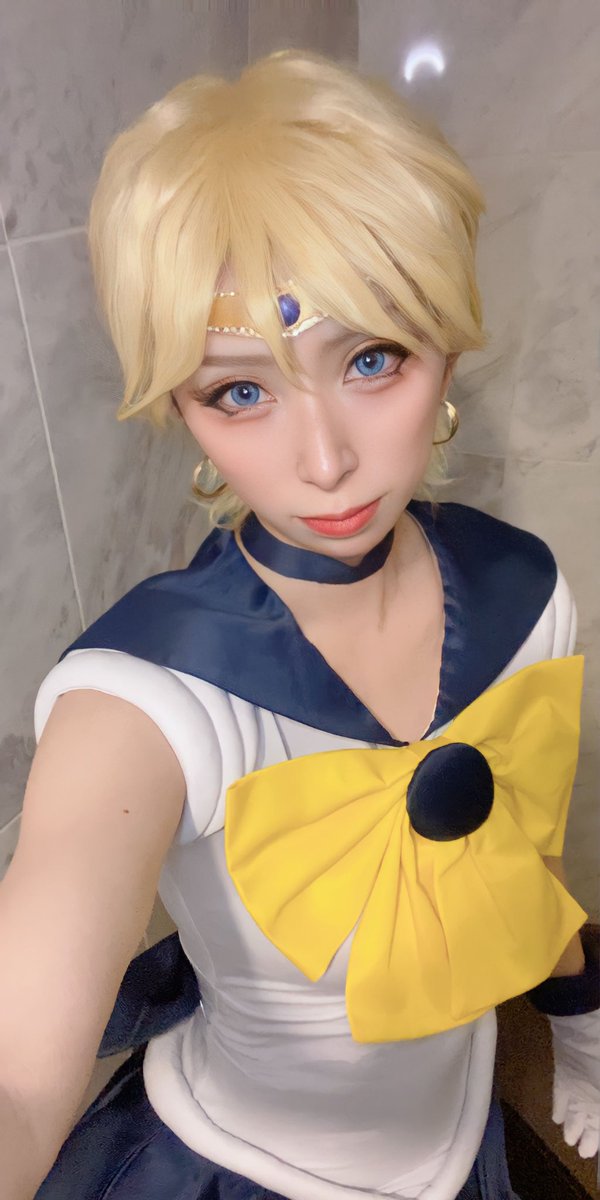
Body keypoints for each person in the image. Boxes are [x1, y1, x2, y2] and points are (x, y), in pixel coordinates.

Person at [1, 49, 598, 1200]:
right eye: (240, 391)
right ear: (181, 408)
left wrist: (580, 1022)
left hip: (459, 1134)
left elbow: (517, 858)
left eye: (372, 359)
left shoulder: (526, 593)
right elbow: (22, 1076)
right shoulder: (144, 698)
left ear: (448, 343)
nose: (323, 460)